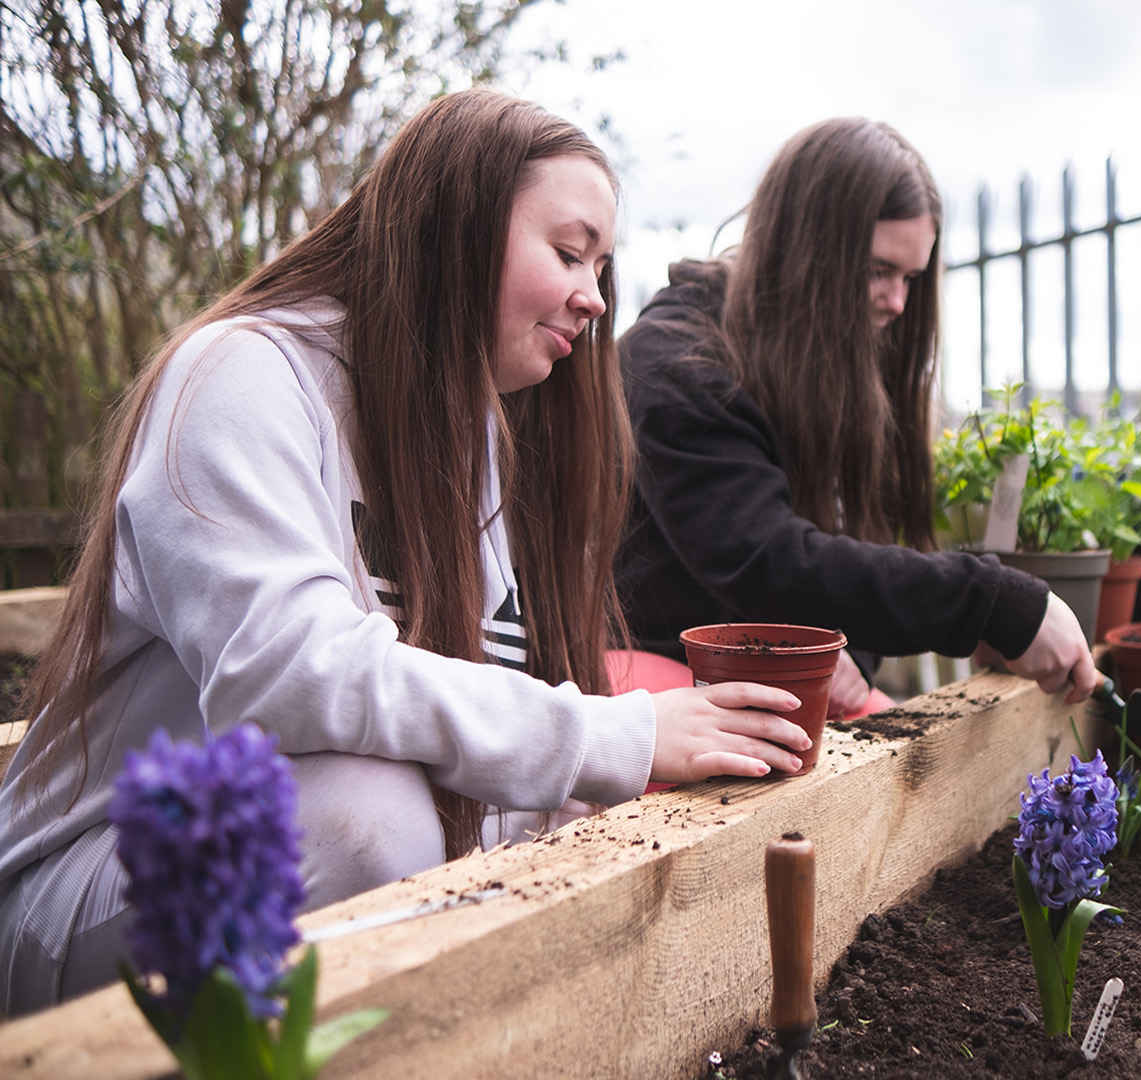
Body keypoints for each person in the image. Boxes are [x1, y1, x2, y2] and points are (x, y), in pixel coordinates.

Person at [0, 88, 811, 1016]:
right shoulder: (244, 374)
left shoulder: (468, 440)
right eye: (568, 251)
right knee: (369, 814)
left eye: (601, 265)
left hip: (275, 905)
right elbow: (288, 675)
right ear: (454, 223)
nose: (594, 298)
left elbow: (481, 704)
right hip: (86, 889)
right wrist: (604, 734)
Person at [613, 117, 1098, 718]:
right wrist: (993, 602)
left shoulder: (822, 357)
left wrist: (853, 654)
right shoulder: (674, 361)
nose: (898, 302)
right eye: (877, 270)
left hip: (779, 671)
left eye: (910, 278)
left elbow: (847, 549)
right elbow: (767, 560)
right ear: (804, 247)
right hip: (652, 681)